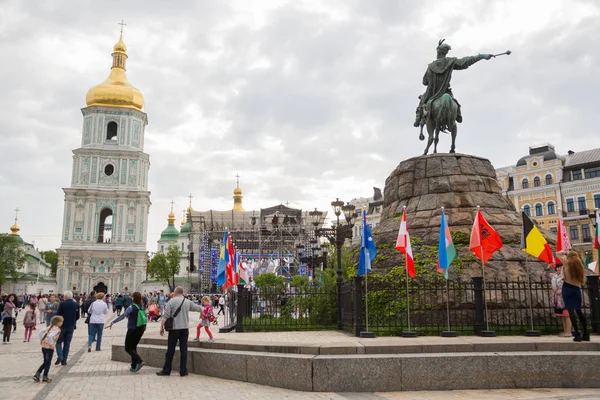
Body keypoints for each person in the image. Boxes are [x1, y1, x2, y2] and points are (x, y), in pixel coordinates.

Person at [156, 286, 203, 376]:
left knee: (170, 350)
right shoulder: (187, 302)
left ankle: (167, 370)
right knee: (184, 350)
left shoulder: (171, 301)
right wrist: (201, 313)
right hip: (184, 329)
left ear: (175, 292)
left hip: (174, 329)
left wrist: (161, 327)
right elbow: (199, 308)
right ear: (182, 293)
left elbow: (165, 316)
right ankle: (183, 370)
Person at [108, 291, 147, 372]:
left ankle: (140, 361)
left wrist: (112, 322)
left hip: (132, 329)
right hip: (141, 329)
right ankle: (133, 366)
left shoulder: (132, 307)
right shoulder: (142, 306)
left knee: (127, 348)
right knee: (133, 347)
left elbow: (123, 316)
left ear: (133, 298)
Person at [561, 251, 589, 342]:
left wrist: (564, 252)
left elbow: (557, 254)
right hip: (576, 289)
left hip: (567, 288)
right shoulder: (580, 267)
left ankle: (577, 334)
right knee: (579, 311)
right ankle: (586, 333)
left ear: (569, 257)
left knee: (571, 312)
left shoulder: (567, 264)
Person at [33, 315, 63, 383]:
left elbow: (40, 332)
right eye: (61, 322)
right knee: (48, 362)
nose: (62, 323)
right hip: (49, 347)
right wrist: (51, 344)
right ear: (57, 322)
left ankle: (38, 374)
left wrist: (41, 340)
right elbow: (50, 336)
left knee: (45, 361)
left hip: (44, 346)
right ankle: (45, 376)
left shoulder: (49, 327)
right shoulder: (57, 329)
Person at [55, 290, 80, 366]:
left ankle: (60, 355)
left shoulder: (62, 304)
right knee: (67, 343)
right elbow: (78, 316)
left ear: (65, 297)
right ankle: (64, 360)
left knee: (58, 342)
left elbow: (57, 314)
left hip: (62, 326)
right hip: (71, 326)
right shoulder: (76, 305)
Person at [551, 260, 571, 337]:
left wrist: (562, 290)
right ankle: (565, 331)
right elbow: (545, 274)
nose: (559, 269)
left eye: (560, 267)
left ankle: (568, 332)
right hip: (557, 299)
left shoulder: (566, 275)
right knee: (563, 316)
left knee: (567, 315)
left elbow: (568, 285)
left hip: (564, 297)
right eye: (558, 267)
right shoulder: (554, 275)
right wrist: (549, 266)